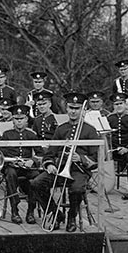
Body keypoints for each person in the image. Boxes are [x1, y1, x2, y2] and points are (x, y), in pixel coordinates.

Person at [30, 92, 99, 232]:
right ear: (66, 109)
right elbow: (49, 154)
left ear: (82, 110)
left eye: (77, 108)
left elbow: (96, 158)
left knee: (77, 189)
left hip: (80, 171)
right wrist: (49, 164)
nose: (73, 111)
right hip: (61, 168)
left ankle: (72, 217)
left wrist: (81, 158)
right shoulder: (61, 129)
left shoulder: (90, 130)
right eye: (71, 108)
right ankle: (55, 214)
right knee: (36, 183)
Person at [0, 105, 42, 224]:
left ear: (26, 119)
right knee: (10, 174)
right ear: (12, 120)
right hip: (12, 166)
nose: (19, 121)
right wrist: (11, 160)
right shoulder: (7, 134)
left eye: (22, 118)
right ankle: (15, 210)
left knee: (36, 177)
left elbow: (40, 153)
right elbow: (1, 153)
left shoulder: (31, 135)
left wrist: (32, 160)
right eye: (16, 119)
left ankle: (30, 211)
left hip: (27, 166)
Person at [106, 93, 128, 199]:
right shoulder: (109, 118)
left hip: (127, 149)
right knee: (99, 158)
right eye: (116, 104)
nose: (118, 106)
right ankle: (101, 186)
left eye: (121, 103)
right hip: (112, 150)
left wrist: (127, 148)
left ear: (125, 104)